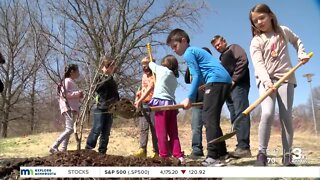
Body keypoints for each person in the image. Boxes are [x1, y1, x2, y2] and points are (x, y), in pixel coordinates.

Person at [249, 3, 310, 166]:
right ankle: (262, 154)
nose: (259, 22)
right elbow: (259, 64)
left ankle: (287, 156)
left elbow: (296, 41)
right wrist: (267, 82)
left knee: (286, 117)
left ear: (270, 15)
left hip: (286, 79)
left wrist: (302, 53)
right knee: (267, 113)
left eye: (262, 17)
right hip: (266, 80)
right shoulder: (256, 41)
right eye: (255, 21)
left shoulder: (283, 31)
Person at [167, 28, 232, 166]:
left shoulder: (189, 53)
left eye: (175, 46)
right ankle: (221, 153)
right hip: (223, 81)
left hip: (217, 80)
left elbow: (195, 75)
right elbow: (202, 74)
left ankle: (213, 157)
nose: (174, 50)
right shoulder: (195, 51)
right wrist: (206, 86)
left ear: (183, 41)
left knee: (208, 118)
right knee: (212, 118)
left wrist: (189, 98)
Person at [211, 35, 251, 158]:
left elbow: (243, 60)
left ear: (224, 41)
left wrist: (234, 80)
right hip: (228, 91)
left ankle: (244, 147)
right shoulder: (222, 58)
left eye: (218, 44)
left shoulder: (233, 48)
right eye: (215, 46)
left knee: (241, 114)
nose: (217, 47)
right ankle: (240, 146)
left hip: (239, 86)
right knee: (234, 117)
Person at [147, 55, 185, 163]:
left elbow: (151, 65)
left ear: (166, 65)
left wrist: (151, 61)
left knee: (161, 132)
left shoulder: (162, 70)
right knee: (173, 132)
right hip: (172, 106)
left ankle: (163, 155)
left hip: (161, 105)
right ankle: (178, 154)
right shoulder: (174, 77)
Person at [85, 56, 119, 154]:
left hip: (110, 109)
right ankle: (89, 148)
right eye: (109, 67)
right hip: (101, 107)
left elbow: (115, 93)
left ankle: (102, 151)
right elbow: (97, 88)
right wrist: (104, 77)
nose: (111, 69)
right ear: (104, 67)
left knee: (106, 132)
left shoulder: (112, 79)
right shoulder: (99, 77)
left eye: (112, 67)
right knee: (97, 128)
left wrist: (117, 103)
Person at [184, 47, 212, 159]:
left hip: (209, 101)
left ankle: (213, 150)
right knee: (195, 127)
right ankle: (196, 150)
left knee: (211, 126)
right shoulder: (193, 68)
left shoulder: (211, 68)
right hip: (196, 102)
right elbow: (187, 79)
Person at [50, 64, 83, 153]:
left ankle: (63, 149)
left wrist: (79, 96)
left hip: (72, 108)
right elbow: (65, 95)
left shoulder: (71, 82)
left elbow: (71, 95)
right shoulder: (67, 81)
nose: (79, 73)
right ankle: (54, 146)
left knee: (68, 129)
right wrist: (78, 93)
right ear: (72, 72)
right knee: (70, 129)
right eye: (77, 71)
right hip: (69, 107)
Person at [133, 56, 159, 158]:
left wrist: (140, 99)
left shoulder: (155, 75)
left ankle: (156, 151)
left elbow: (151, 87)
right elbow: (144, 88)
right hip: (143, 103)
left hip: (153, 103)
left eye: (147, 64)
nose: (144, 67)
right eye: (143, 65)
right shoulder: (144, 76)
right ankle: (142, 149)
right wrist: (139, 94)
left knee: (154, 128)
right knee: (143, 128)